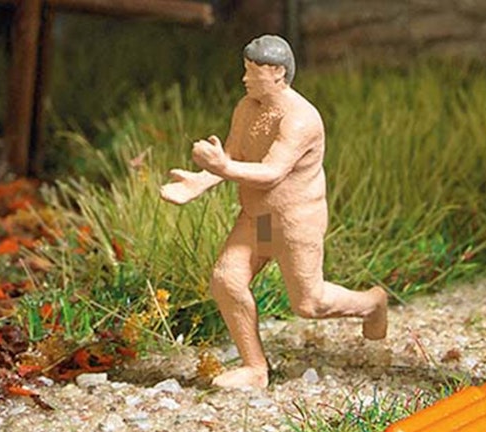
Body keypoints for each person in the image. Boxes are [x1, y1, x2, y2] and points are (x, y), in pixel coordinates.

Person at [160, 34, 390, 390]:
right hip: (262, 221)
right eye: (246, 70)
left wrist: (220, 167)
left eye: (253, 72)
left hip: (295, 225)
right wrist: (200, 182)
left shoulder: (300, 120)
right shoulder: (247, 107)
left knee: (308, 305)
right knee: (227, 279)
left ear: (278, 73)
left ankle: (372, 303)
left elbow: (270, 173)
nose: (245, 79)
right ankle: (255, 369)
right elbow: (234, 154)